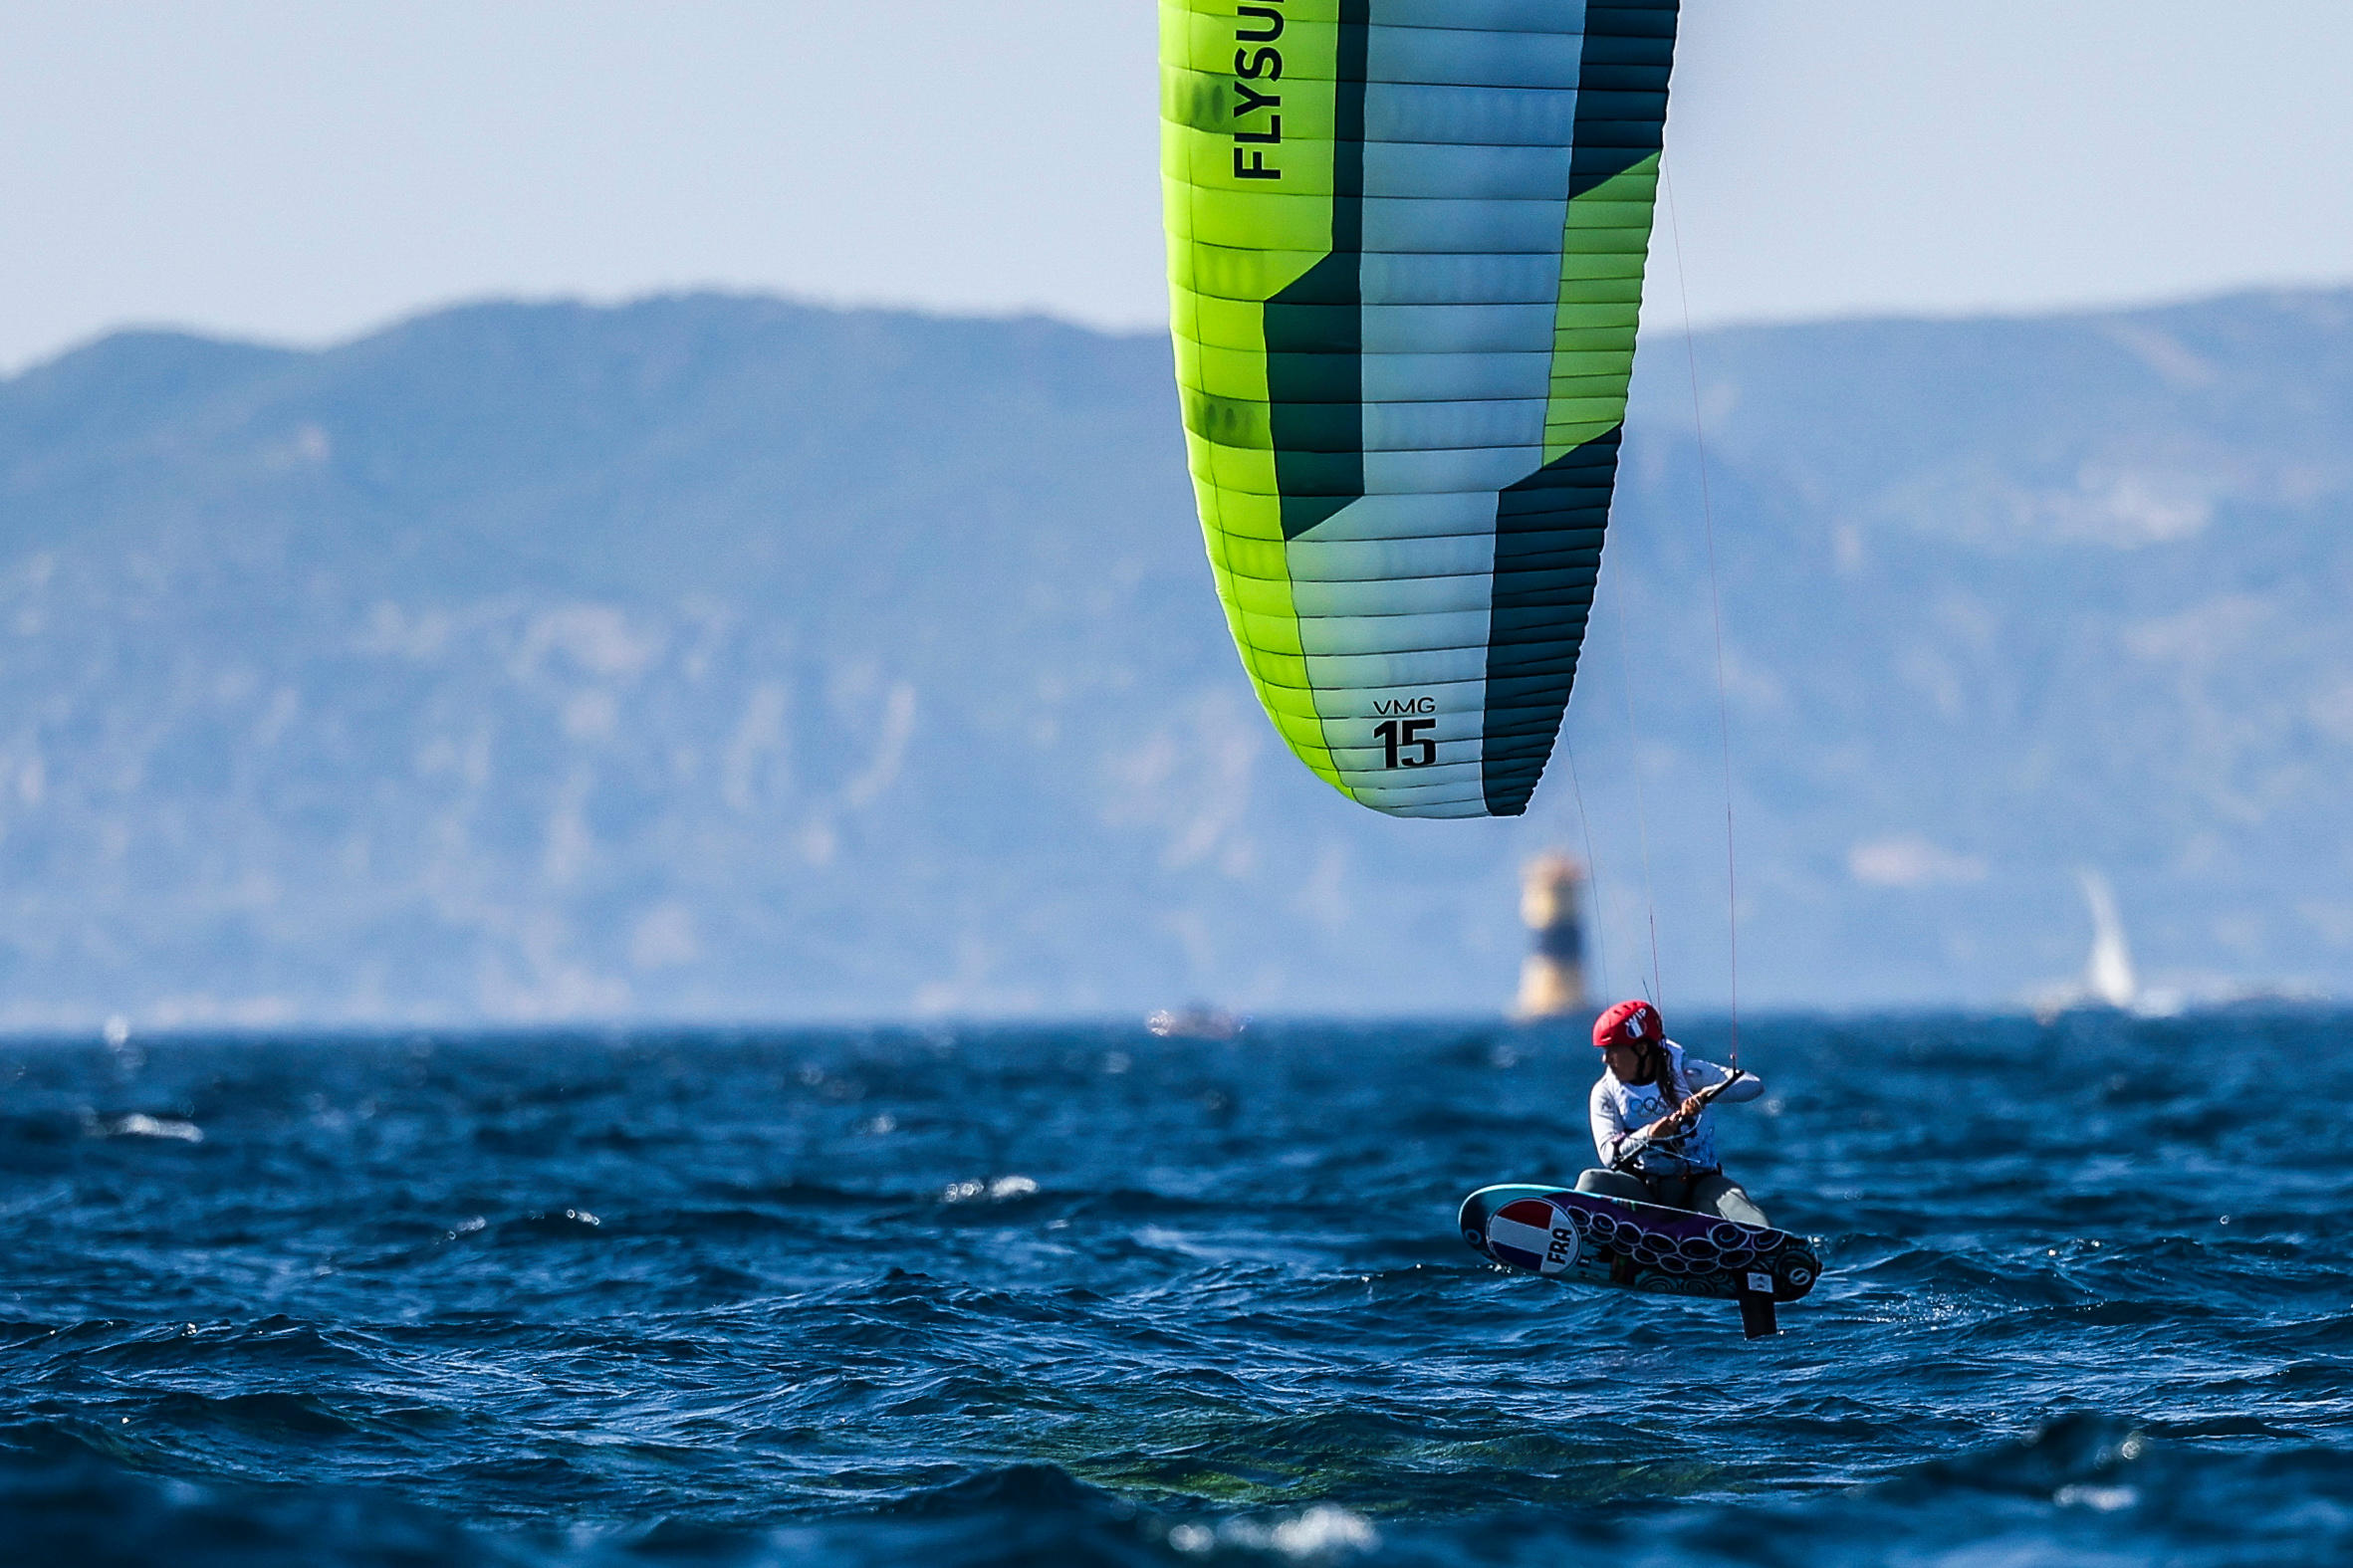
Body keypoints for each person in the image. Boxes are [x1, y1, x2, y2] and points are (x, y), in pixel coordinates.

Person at [1574, 999, 1770, 1226]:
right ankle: (1573, 1235)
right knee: (1591, 1180)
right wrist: (1649, 1134)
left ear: (1642, 1048)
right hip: (1641, 1194)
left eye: (1613, 1050)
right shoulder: (1605, 1092)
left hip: (1698, 1187)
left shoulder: (1687, 1073)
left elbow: (1753, 1084)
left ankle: (1773, 1250)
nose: (1605, 1059)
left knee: (1735, 1199)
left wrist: (1705, 1096)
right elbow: (1609, 1155)